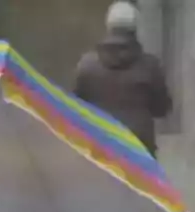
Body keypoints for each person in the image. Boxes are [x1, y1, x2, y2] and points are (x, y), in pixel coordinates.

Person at [73, 1, 173, 157]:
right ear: (135, 28)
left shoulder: (86, 65)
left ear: (108, 27)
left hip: (100, 144)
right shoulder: (149, 66)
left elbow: (76, 106)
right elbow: (162, 108)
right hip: (138, 148)